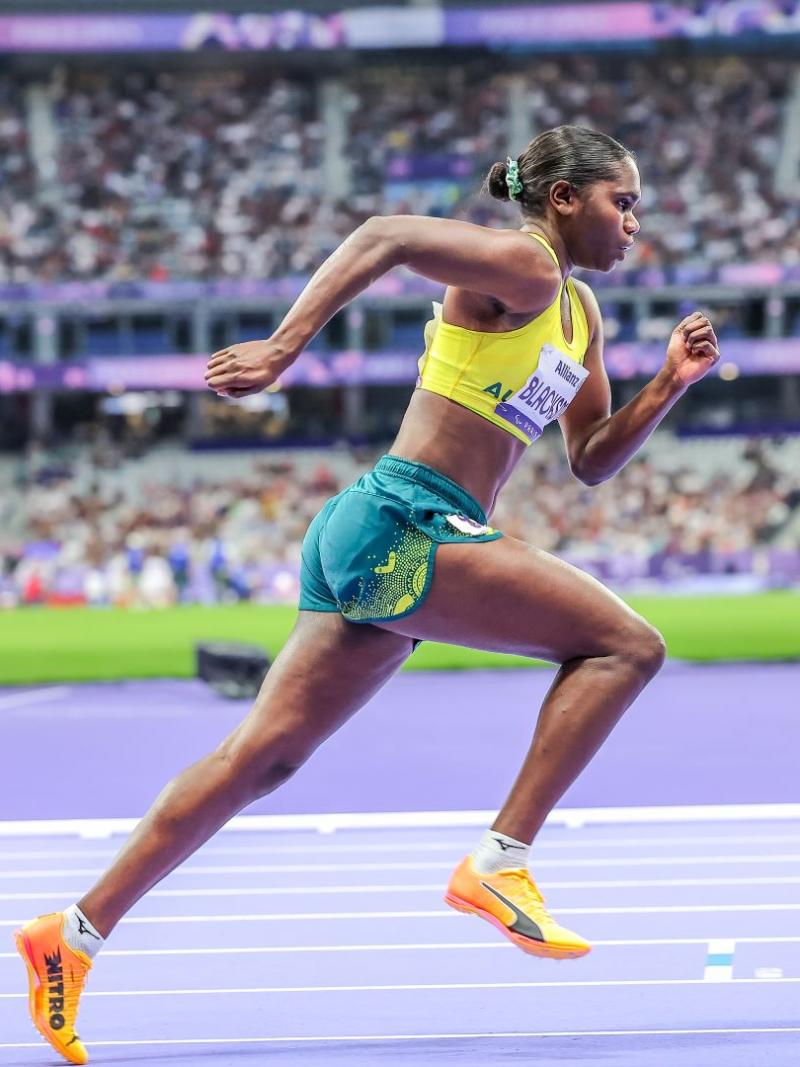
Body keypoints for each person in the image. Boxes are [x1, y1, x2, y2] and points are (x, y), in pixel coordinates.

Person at [16, 125, 720, 1064]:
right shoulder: (526, 264)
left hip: (384, 532)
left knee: (259, 759)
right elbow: (385, 235)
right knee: (626, 646)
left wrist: (667, 383)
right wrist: (281, 349)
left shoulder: (578, 311)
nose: (633, 222)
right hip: (407, 519)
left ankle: (71, 934)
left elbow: (590, 458)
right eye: (620, 202)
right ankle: (500, 862)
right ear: (563, 199)